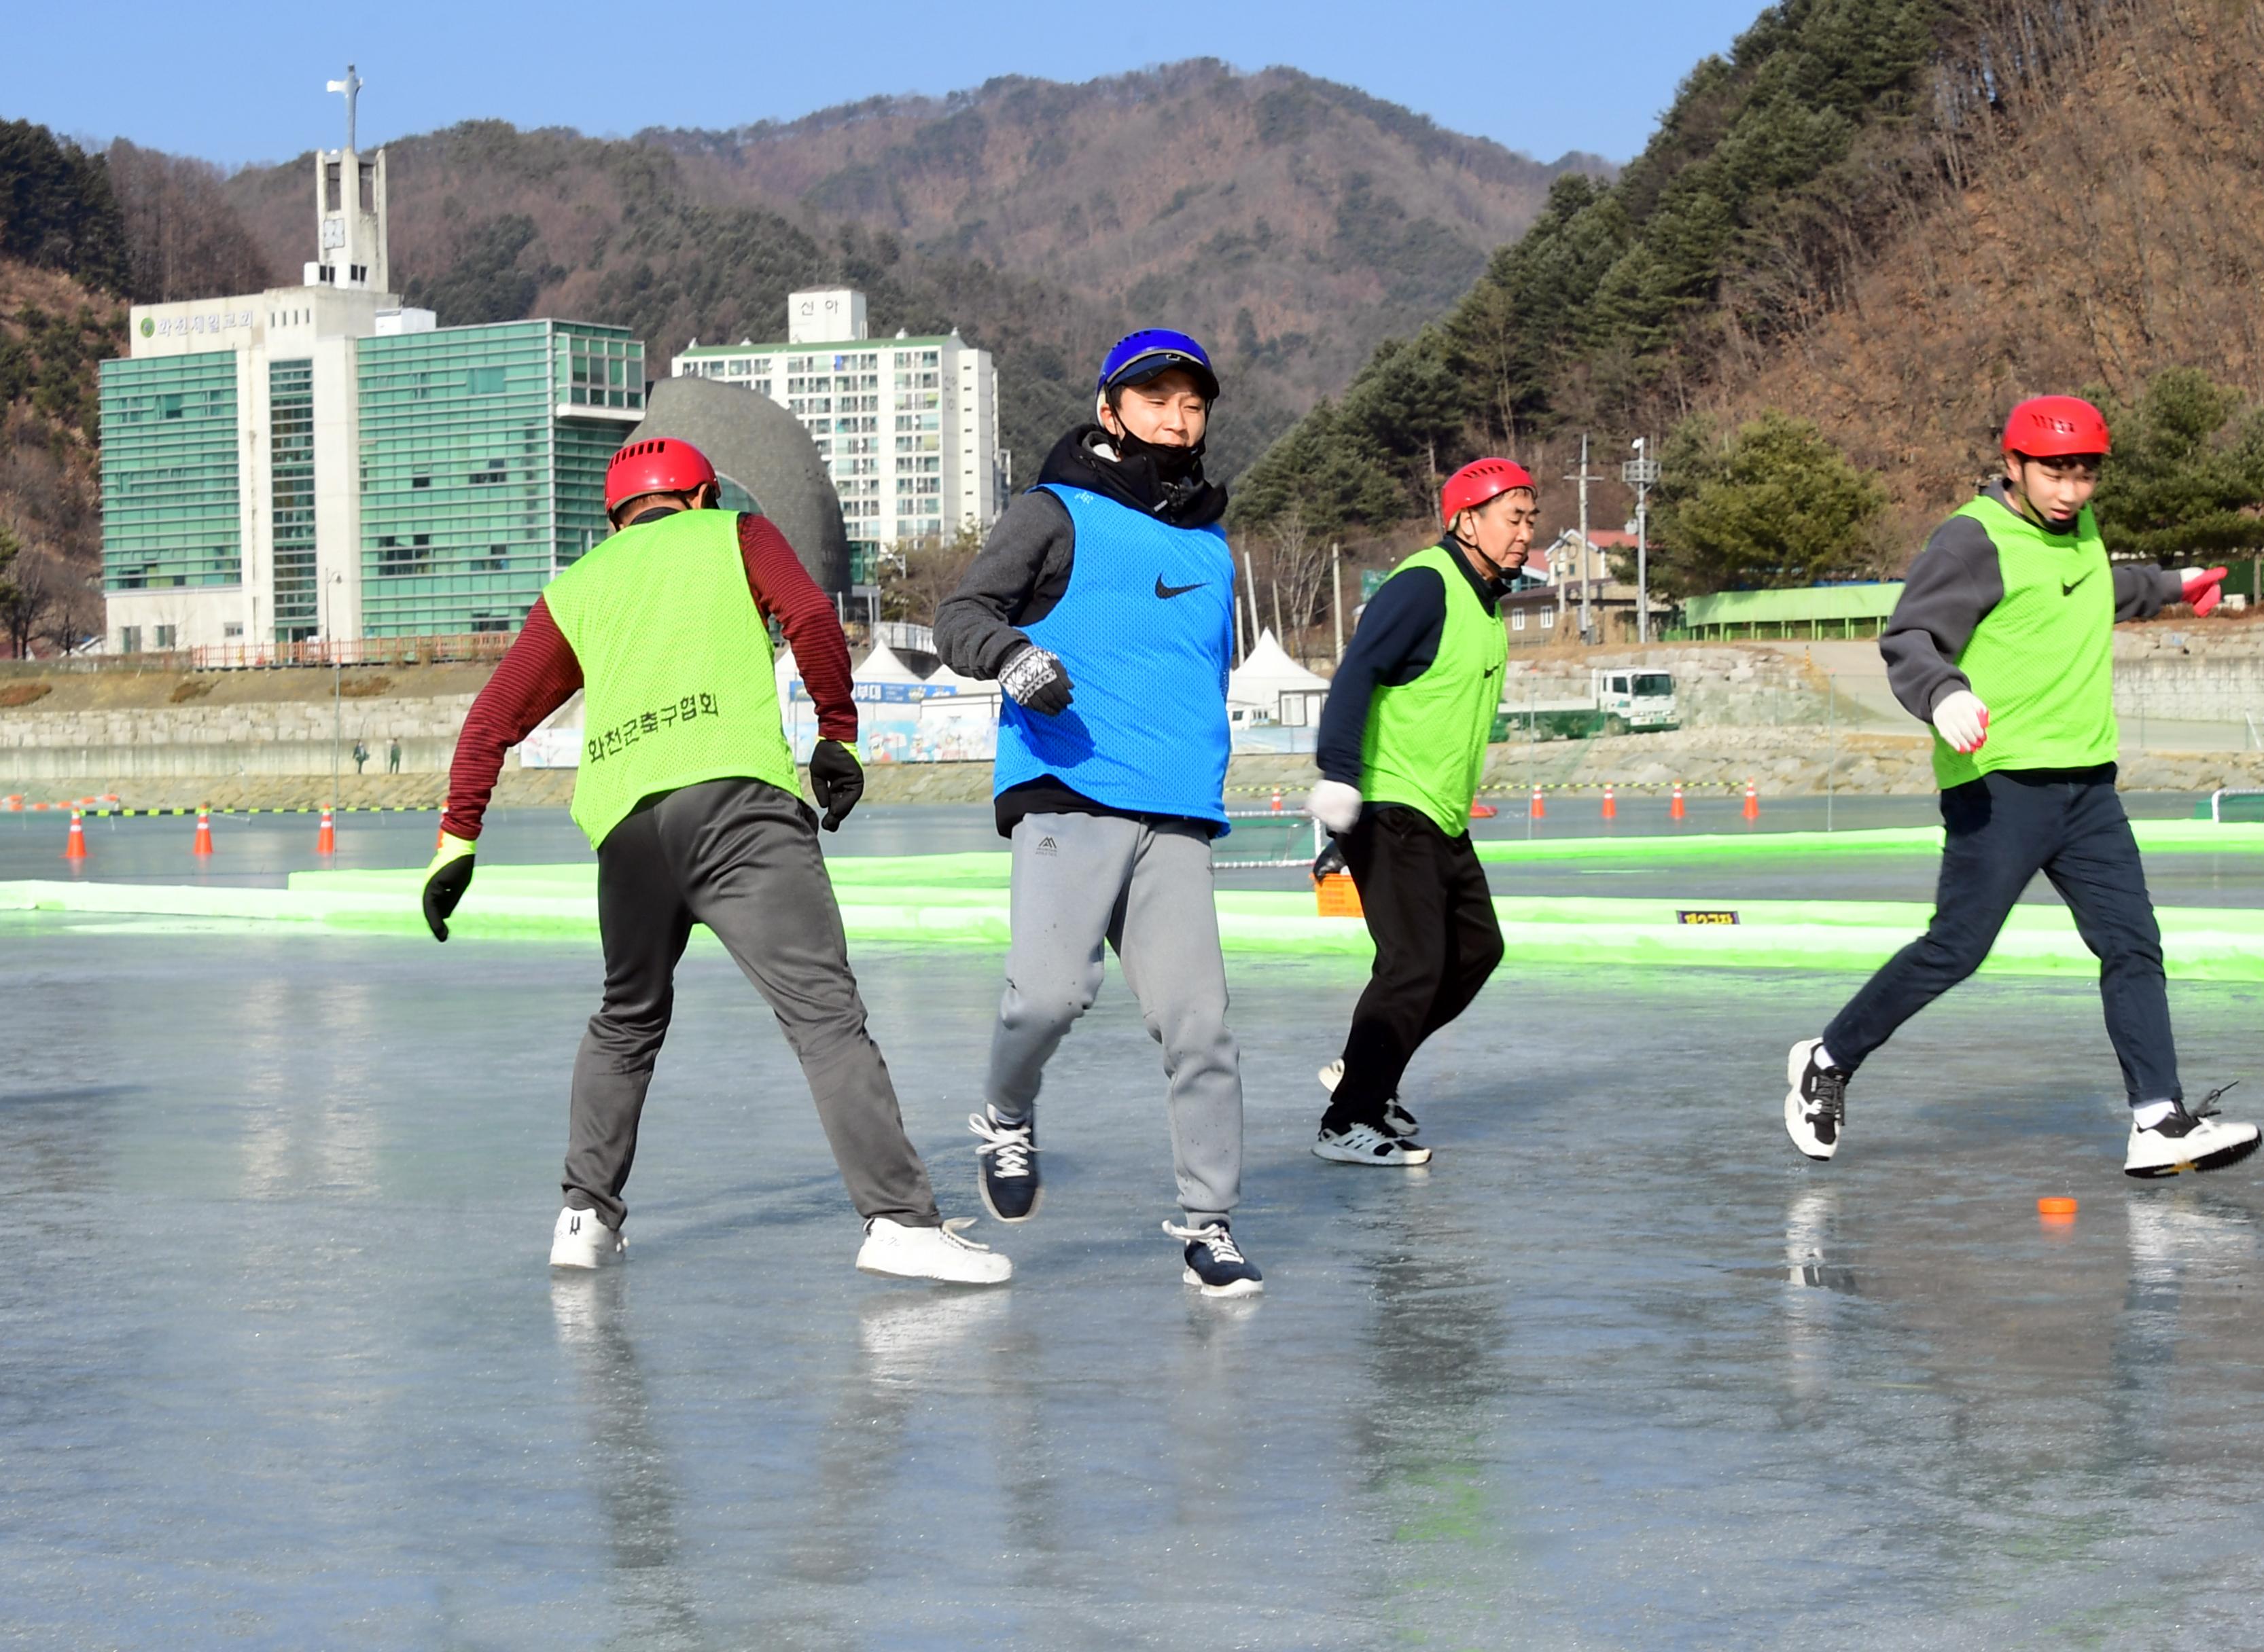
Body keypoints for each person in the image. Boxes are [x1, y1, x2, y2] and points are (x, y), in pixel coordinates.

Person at [421, 436, 1008, 1285]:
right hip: (737, 809)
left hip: (627, 832)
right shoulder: (737, 532)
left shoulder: (577, 588)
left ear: (616, 518)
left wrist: (457, 841)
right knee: (822, 1015)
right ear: (698, 497)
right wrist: (836, 736)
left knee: (625, 1018)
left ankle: (584, 1216)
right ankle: (898, 1220)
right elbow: (809, 616)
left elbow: (490, 721)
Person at [1782, 395, 2261, 1179]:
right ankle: (1828, 1058)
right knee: (1956, 948)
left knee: (2132, 943)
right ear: (2013, 466)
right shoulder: (1974, 539)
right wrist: (1944, 693)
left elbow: (2099, 587)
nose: (2071, 491)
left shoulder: (2080, 533)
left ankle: (2157, 1119)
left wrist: (2176, 584)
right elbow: (1911, 635)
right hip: (1998, 784)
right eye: (2054, 473)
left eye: (2085, 473)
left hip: (2087, 786)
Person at [932, 329, 1262, 1298]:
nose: (1177, 416)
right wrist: (1013, 658)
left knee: (1198, 1023)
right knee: (1046, 997)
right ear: (1109, 409)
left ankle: (1210, 1224)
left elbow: (1198, 670)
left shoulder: (1209, 538)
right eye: (1155, 398)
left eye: (1192, 403)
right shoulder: (1053, 511)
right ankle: (1006, 1110)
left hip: (1175, 806)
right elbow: (960, 618)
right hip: (1069, 784)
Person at [1304, 459, 1533, 1166]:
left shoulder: (1487, 602)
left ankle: (1370, 1073)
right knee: (1412, 965)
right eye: (1512, 517)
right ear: (1467, 521)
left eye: (1531, 517)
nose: (1526, 532)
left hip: (1441, 815)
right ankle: (1348, 1120)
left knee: (1476, 950)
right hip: (1387, 803)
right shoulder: (1424, 584)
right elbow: (1356, 673)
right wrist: (1339, 780)